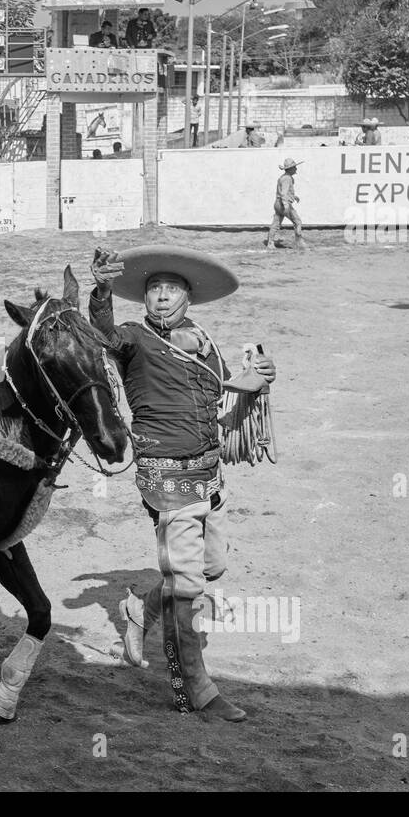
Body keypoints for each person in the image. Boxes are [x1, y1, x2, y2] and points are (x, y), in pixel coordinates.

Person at [89, 243, 276, 722]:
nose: (162, 297)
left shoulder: (204, 341)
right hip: (166, 478)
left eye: (172, 290)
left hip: (209, 474)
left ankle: (140, 611)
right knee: (189, 588)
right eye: (154, 289)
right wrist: (102, 291)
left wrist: (257, 380)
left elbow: (224, 391)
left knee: (211, 567)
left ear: (188, 298)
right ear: (145, 299)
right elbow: (103, 333)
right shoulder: (132, 337)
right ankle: (194, 688)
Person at [266, 157, 305, 250]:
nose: (296, 168)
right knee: (297, 222)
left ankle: (270, 243)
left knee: (276, 223)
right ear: (290, 169)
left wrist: (293, 196)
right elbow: (283, 193)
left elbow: (283, 192)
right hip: (283, 204)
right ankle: (298, 242)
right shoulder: (287, 178)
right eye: (294, 167)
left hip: (278, 203)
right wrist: (286, 205)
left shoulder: (283, 177)